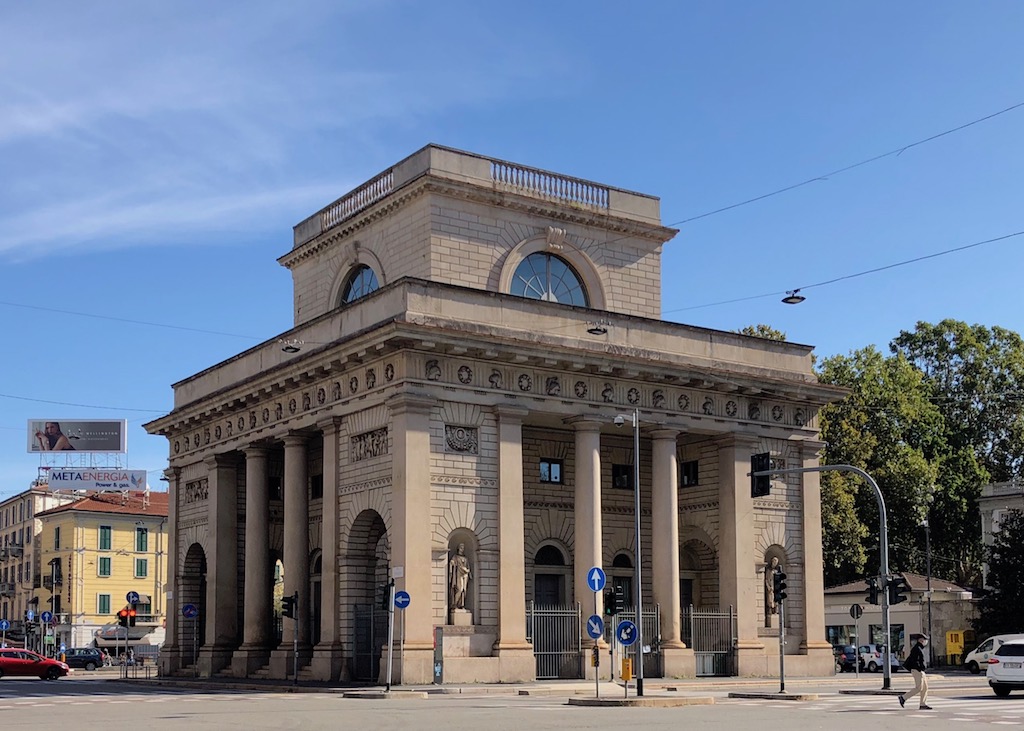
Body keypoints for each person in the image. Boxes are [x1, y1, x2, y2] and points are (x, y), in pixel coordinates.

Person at [899, 633, 932, 710]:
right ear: (921, 640)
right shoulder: (916, 648)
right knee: (919, 688)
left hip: (920, 670)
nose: (925, 641)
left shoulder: (919, 648)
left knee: (925, 688)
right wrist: (919, 668)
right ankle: (903, 697)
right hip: (917, 670)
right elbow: (915, 661)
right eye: (925, 640)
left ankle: (923, 704)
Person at [448, 543, 471, 614]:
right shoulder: (455, 557)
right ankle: (455, 604)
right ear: (458, 548)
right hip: (458, 574)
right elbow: (452, 563)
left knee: (464, 590)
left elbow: (468, 567)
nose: (462, 549)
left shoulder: (465, 558)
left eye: (463, 548)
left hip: (465, 574)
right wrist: (451, 564)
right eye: (461, 547)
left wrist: (467, 570)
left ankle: (462, 605)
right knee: (459, 589)